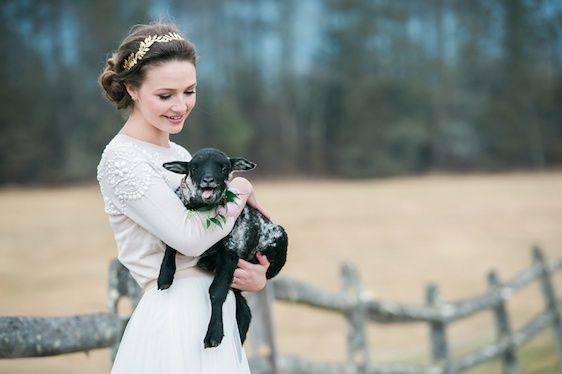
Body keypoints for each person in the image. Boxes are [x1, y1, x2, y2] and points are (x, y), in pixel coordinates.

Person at [97, 22, 269, 373]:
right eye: (166, 95)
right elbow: (188, 238)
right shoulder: (122, 160)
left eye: (189, 91)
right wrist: (239, 189)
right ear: (132, 88)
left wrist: (253, 274)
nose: (181, 105)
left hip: (214, 313)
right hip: (174, 319)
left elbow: (217, 239)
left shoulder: (181, 153)